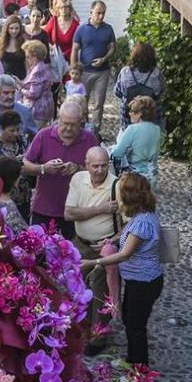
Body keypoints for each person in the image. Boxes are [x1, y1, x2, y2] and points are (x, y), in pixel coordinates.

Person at [84, 172, 162, 365]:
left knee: (136, 326)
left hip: (144, 282)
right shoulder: (142, 214)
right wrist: (112, 239)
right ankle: (132, 359)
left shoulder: (142, 222)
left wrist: (92, 263)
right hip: (138, 281)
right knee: (129, 320)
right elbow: (127, 233)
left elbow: (125, 254)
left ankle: (139, 367)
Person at [65, 147, 119, 356]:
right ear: (86, 164)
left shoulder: (116, 185)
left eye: (103, 165)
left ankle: (98, 338)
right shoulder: (78, 179)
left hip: (102, 249)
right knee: (77, 287)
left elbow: (126, 224)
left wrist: (111, 240)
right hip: (80, 244)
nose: (99, 170)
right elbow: (69, 213)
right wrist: (100, 209)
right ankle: (80, 330)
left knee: (100, 292)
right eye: (95, 166)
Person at [22, 101, 98, 238]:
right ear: (58, 119)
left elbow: (100, 171)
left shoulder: (89, 139)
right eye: (65, 123)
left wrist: (78, 169)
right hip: (44, 209)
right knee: (40, 252)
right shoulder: (44, 135)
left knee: (70, 254)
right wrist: (43, 168)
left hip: (76, 211)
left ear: (81, 122)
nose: (68, 128)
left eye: (73, 125)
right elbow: (24, 165)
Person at [71, 0, 117, 131]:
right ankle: (81, 127)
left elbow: (112, 48)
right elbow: (75, 49)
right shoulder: (82, 29)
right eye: (98, 13)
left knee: (99, 103)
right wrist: (73, 69)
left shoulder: (108, 29)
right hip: (85, 71)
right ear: (91, 12)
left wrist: (104, 59)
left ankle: (95, 130)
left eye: (103, 13)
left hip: (102, 71)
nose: (101, 16)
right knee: (81, 101)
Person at [108, 96, 162, 189]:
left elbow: (118, 153)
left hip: (135, 178)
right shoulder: (157, 129)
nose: (129, 113)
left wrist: (110, 149)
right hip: (152, 175)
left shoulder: (133, 129)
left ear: (139, 114)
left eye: (132, 111)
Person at [114, 42, 164, 134]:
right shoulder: (156, 73)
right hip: (150, 112)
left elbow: (118, 92)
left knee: (127, 134)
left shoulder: (125, 71)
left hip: (129, 110)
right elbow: (159, 92)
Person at [45, 0, 80, 98]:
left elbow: (78, 43)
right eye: (61, 7)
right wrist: (50, 47)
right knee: (54, 93)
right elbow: (45, 37)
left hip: (70, 62)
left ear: (70, 9)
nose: (64, 10)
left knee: (71, 94)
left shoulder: (75, 24)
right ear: (57, 9)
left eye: (66, 7)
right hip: (55, 62)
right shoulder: (53, 21)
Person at [0, 156, 29, 232]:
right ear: (13, 179)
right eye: (19, 175)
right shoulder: (8, 207)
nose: (20, 177)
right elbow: (20, 234)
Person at [20, 39, 55, 127]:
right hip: (43, 109)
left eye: (28, 57)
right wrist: (19, 82)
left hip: (38, 111)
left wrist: (20, 89)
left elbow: (34, 94)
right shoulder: (41, 66)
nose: (26, 59)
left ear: (34, 56)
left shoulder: (38, 70)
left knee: (34, 137)